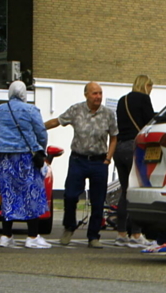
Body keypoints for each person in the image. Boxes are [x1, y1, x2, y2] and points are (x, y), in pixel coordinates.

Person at [44, 82, 117, 248]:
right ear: (86, 95)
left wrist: (108, 158)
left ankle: (93, 236)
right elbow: (58, 121)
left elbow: (114, 137)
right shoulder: (76, 110)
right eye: (94, 93)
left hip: (99, 161)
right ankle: (69, 227)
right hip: (78, 160)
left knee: (98, 201)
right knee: (70, 196)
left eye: (100, 93)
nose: (98, 97)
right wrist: (39, 127)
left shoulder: (108, 114)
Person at [0, 80, 50, 249]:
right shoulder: (31, 110)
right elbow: (41, 132)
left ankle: (6, 236)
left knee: (8, 193)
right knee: (31, 193)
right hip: (26, 157)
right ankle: (32, 236)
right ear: (23, 94)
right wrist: (40, 149)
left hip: (4, 157)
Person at [113, 75, 157, 248]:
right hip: (134, 147)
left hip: (119, 148)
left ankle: (121, 233)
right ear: (146, 86)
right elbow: (149, 123)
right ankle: (136, 234)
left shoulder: (122, 100)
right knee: (137, 191)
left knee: (125, 191)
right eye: (150, 87)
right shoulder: (144, 99)